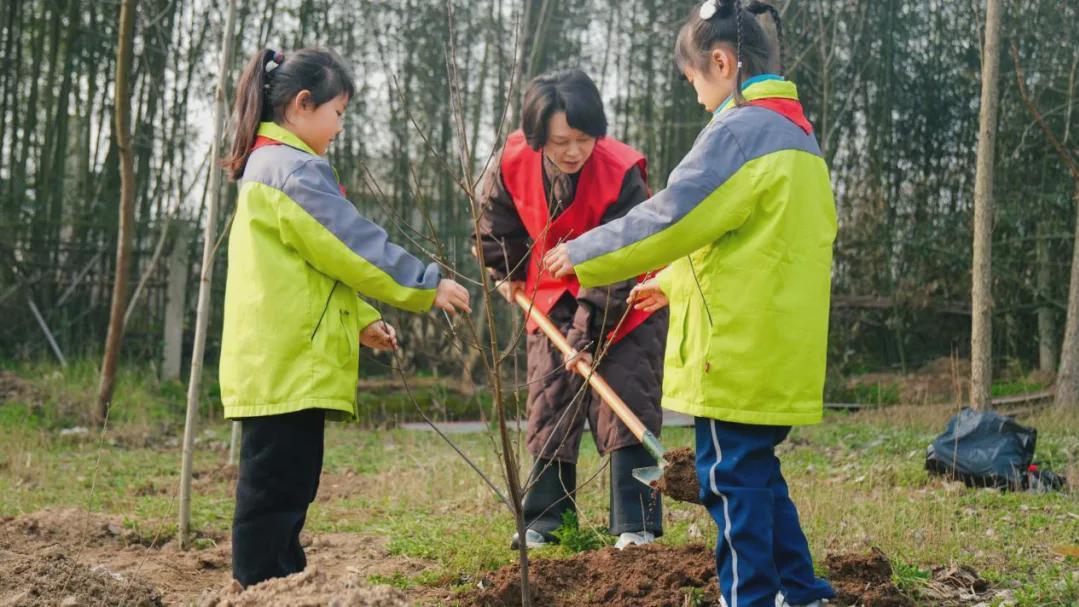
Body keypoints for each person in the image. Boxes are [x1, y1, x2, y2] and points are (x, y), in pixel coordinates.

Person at [542, 2, 837, 605]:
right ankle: (799, 591)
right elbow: (749, 246)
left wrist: (586, 251)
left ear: (722, 63)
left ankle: (748, 595)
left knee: (729, 480)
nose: (696, 93)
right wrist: (672, 283)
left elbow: (672, 217)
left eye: (695, 78)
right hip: (778, 346)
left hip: (734, 351)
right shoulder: (798, 135)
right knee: (755, 471)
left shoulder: (737, 131)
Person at [218, 47, 470, 587]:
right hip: (286, 359)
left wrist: (359, 319)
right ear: (302, 106)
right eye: (338, 113)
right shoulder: (293, 170)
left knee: (288, 482)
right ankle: (260, 585)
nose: (339, 127)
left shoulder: (273, 165)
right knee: (274, 488)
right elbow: (350, 244)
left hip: (281, 356)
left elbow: (314, 264)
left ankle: (280, 579)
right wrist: (425, 283)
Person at [476, 69, 667, 551]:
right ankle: (546, 521)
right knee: (550, 395)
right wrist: (508, 270)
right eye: (560, 141)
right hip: (550, 293)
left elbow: (622, 260)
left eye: (583, 139)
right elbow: (495, 224)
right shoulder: (512, 160)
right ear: (538, 136)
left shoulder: (620, 171)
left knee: (627, 396)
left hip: (626, 297)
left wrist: (585, 338)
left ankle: (635, 525)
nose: (573, 151)